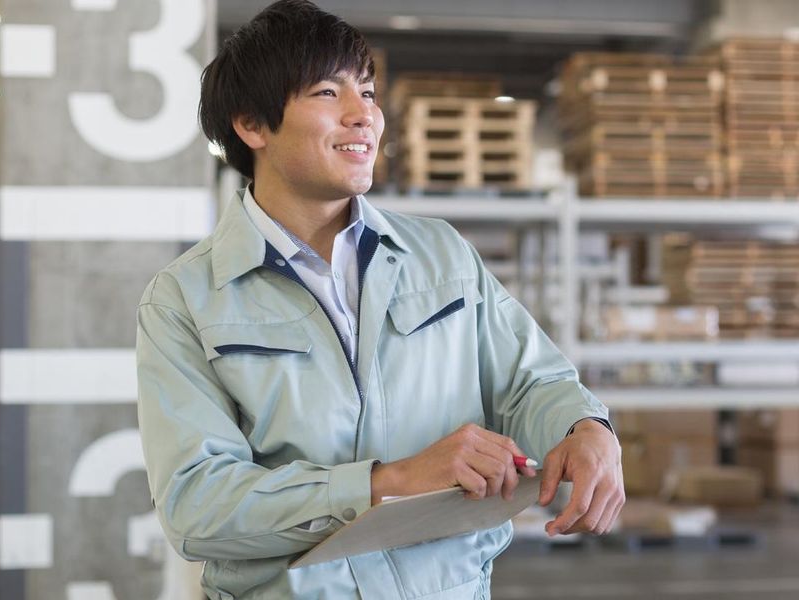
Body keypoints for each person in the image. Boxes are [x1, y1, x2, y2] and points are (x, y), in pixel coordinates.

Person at [136, 1, 624, 598]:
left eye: (367, 93)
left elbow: (531, 382)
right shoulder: (184, 301)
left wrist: (585, 426)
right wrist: (386, 482)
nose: (362, 115)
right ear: (251, 125)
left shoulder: (440, 254)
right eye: (325, 93)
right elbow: (197, 506)